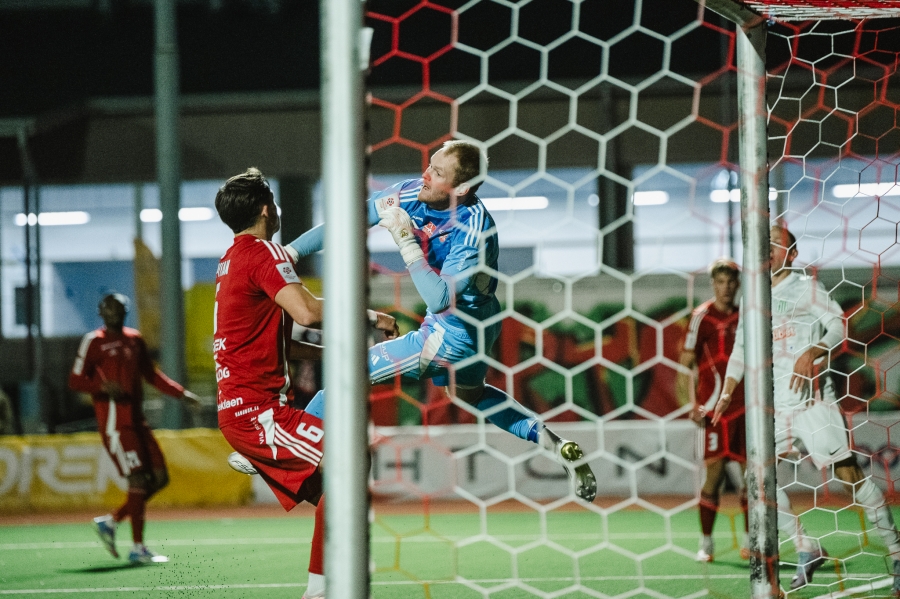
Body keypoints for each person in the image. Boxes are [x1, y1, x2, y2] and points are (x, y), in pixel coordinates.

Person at [283, 139, 596, 503]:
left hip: (452, 334)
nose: (425, 175)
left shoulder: (474, 228)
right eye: (430, 165)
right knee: (470, 394)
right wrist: (289, 252)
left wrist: (405, 241)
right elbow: (351, 220)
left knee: (345, 376)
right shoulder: (414, 193)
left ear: (461, 189)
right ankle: (554, 444)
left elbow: (440, 299)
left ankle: (284, 451)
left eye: (438, 172)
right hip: (481, 326)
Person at [213, 167, 398, 599]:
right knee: (350, 467)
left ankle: (335, 576)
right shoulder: (264, 253)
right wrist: (371, 317)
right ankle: (320, 590)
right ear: (266, 210)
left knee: (343, 497)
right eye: (274, 203)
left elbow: (279, 344)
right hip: (258, 413)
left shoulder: (231, 260)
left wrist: (336, 353)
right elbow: (309, 313)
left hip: (248, 409)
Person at [713, 225, 900, 593]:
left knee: (849, 478)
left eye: (775, 244)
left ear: (792, 254)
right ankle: (806, 546)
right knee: (757, 480)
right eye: (763, 243)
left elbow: (838, 327)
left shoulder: (806, 288)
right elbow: (740, 349)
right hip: (775, 407)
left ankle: (896, 551)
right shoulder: (753, 296)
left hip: (812, 402)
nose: (767, 249)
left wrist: (814, 350)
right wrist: (726, 390)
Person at [68, 292, 201, 564]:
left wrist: (181, 393)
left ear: (126, 311)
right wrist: (101, 387)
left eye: (118, 308)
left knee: (160, 478)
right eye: (108, 308)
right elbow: (75, 380)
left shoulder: (135, 339)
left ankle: (112, 520)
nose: (114, 312)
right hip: (115, 425)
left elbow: (151, 375)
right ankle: (138, 548)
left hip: (138, 421)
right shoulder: (94, 341)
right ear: (100, 312)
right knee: (138, 480)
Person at [678, 258, 748, 562]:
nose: (726, 288)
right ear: (713, 285)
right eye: (720, 282)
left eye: (731, 282)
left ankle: (751, 540)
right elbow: (685, 364)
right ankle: (706, 542)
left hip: (745, 408)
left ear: (738, 284)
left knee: (751, 478)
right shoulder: (701, 317)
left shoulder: (747, 316)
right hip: (713, 410)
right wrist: (691, 404)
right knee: (715, 474)